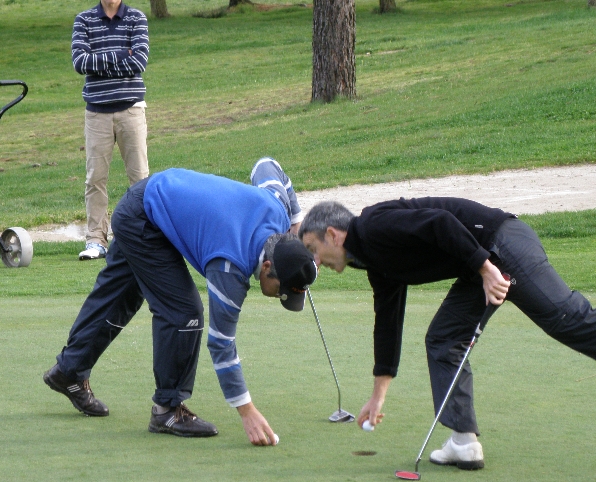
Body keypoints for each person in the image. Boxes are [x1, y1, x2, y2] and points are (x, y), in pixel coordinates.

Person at [298, 198, 596, 470]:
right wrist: (377, 396)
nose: (317, 262)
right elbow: (387, 322)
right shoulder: (373, 259)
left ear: (333, 235)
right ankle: (464, 442)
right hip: (479, 260)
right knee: (444, 339)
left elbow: (441, 223)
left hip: (500, 242)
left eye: (314, 249)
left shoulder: (373, 227)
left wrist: (486, 269)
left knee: (566, 319)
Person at [44, 158, 317, 445]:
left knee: (122, 294)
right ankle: (167, 409)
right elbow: (222, 344)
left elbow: (267, 166)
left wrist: (295, 226)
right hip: (145, 216)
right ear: (267, 267)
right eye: (280, 291)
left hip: (152, 201)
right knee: (184, 313)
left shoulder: (277, 209)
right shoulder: (230, 267)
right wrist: (246, 410)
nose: (278, 296)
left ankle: (69, 371)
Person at [72, 0, 150, 260]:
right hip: (97, 113)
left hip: (131, 110)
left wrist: (101, 61)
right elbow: (81, 62)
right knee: (95, 179)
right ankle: (96, 240)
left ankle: (140, 237)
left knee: (140, 179)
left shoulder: (136, 18)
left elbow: (139, 61)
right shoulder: (84, 20)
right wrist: (120, 54)